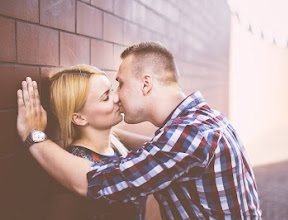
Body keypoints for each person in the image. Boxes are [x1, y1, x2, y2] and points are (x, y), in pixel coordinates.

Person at [17, 42, 262, 219]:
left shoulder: (185, 136)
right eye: (107, 94)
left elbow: (98, 182)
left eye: (120, 84)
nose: (117, 96)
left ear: (146, 84)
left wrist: (35, 137)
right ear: (79, 117)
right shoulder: (206, 121)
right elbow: (155, 150)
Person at [44, 65, 148, 220]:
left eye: (112, 90)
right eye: (105, 97)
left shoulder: (118, 147)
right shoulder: (73, 167)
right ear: (79, 118)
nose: (117, 98)